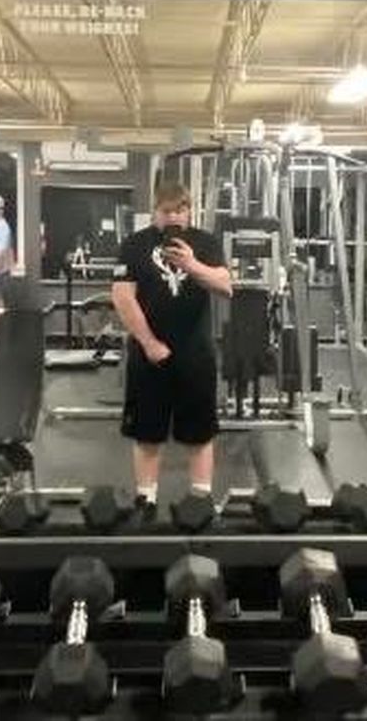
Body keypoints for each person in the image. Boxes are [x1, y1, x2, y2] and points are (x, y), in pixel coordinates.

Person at [111, 180, 232, 512]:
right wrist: (149, 343)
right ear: (155, 212)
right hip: (149, 355)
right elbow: (122, 297)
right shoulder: (134, 245)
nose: (175, 217)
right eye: (167, 211)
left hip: (196, 354)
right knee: (147, 433)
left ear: (189, 211)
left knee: (200, 434)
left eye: (181, 210)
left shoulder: (205, 243)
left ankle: (201, 501)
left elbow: (225, 286)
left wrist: (192, 265)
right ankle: (146, 500)